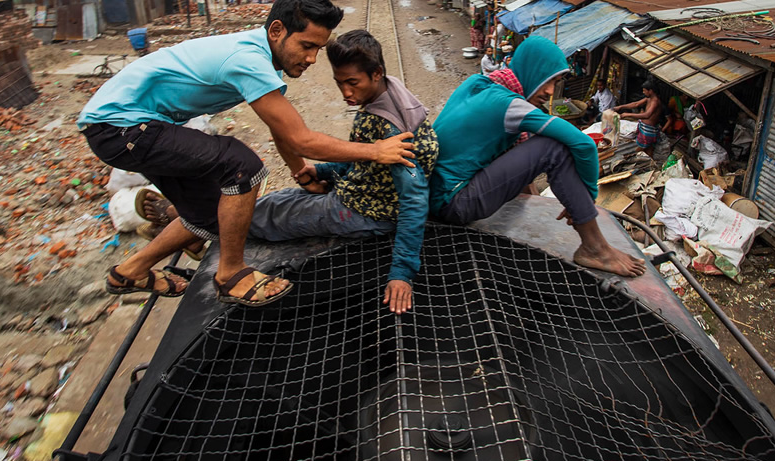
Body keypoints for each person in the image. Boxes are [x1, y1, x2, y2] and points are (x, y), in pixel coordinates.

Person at [77, 0, 416, 306]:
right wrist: (375, 151)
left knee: (210, 214)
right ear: (277, 30)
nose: (312, 59)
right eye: (307, 46)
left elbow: (280, 130)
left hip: (132, 128)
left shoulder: (258, 59)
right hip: (122, 126)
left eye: (318, 49)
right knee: (241, 165)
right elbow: (301, 138)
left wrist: (301, 173)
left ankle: (130, 272)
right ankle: (232, 275)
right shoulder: (248, 60)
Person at [249, 30, 438, 314]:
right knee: (279, 200)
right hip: (356, 191)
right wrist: (322, 170)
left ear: (376, 74)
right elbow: (364, 158)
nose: (346, 93)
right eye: (340, 84)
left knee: (274, 217)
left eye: (352, 83)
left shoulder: (391, 129)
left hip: (364, 212)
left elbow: (414, 200)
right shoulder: (392, 88)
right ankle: (200, 222)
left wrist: (402, 273)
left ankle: (198, 222)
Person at [429, 36, 647, 278]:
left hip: (437, 195)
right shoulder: (509, 105)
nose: (550, 91)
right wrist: (587, 199)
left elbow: (516, 157)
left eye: (557, 82)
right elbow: (584, 144)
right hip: (453, 203)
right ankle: (595, 248)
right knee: (553, 147)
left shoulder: (478, 83)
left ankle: (585, 234)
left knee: (529, 144)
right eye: (549, 80)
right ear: (533, 71)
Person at [614, 80, 664, 155]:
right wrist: (621, 107)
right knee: (648, 150)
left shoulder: (655, 101)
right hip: (643, 127)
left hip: (648, 129)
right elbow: (636, 104)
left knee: (639, 150)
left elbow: (647, 115)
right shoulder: (648, 98)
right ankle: (649, 163)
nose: (643, 92)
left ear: (650, 91)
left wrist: (627, 114)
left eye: (644, 91)